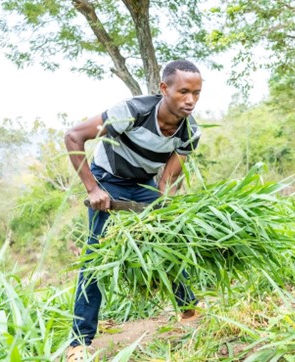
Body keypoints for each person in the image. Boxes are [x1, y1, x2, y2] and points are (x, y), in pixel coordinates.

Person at [64, 60, 203, 361]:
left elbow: (166, 179)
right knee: (96, 256)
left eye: (196, 93)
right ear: (164, 89)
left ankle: (188, 313)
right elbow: (73, 137)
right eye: (183, 92)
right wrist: (93, 189)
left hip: (143, 184)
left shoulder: (190, 131)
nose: (190, 100)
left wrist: (163, 205)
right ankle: (79, 342)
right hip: (107, 178)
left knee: (169, 242)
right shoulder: (132, 112)